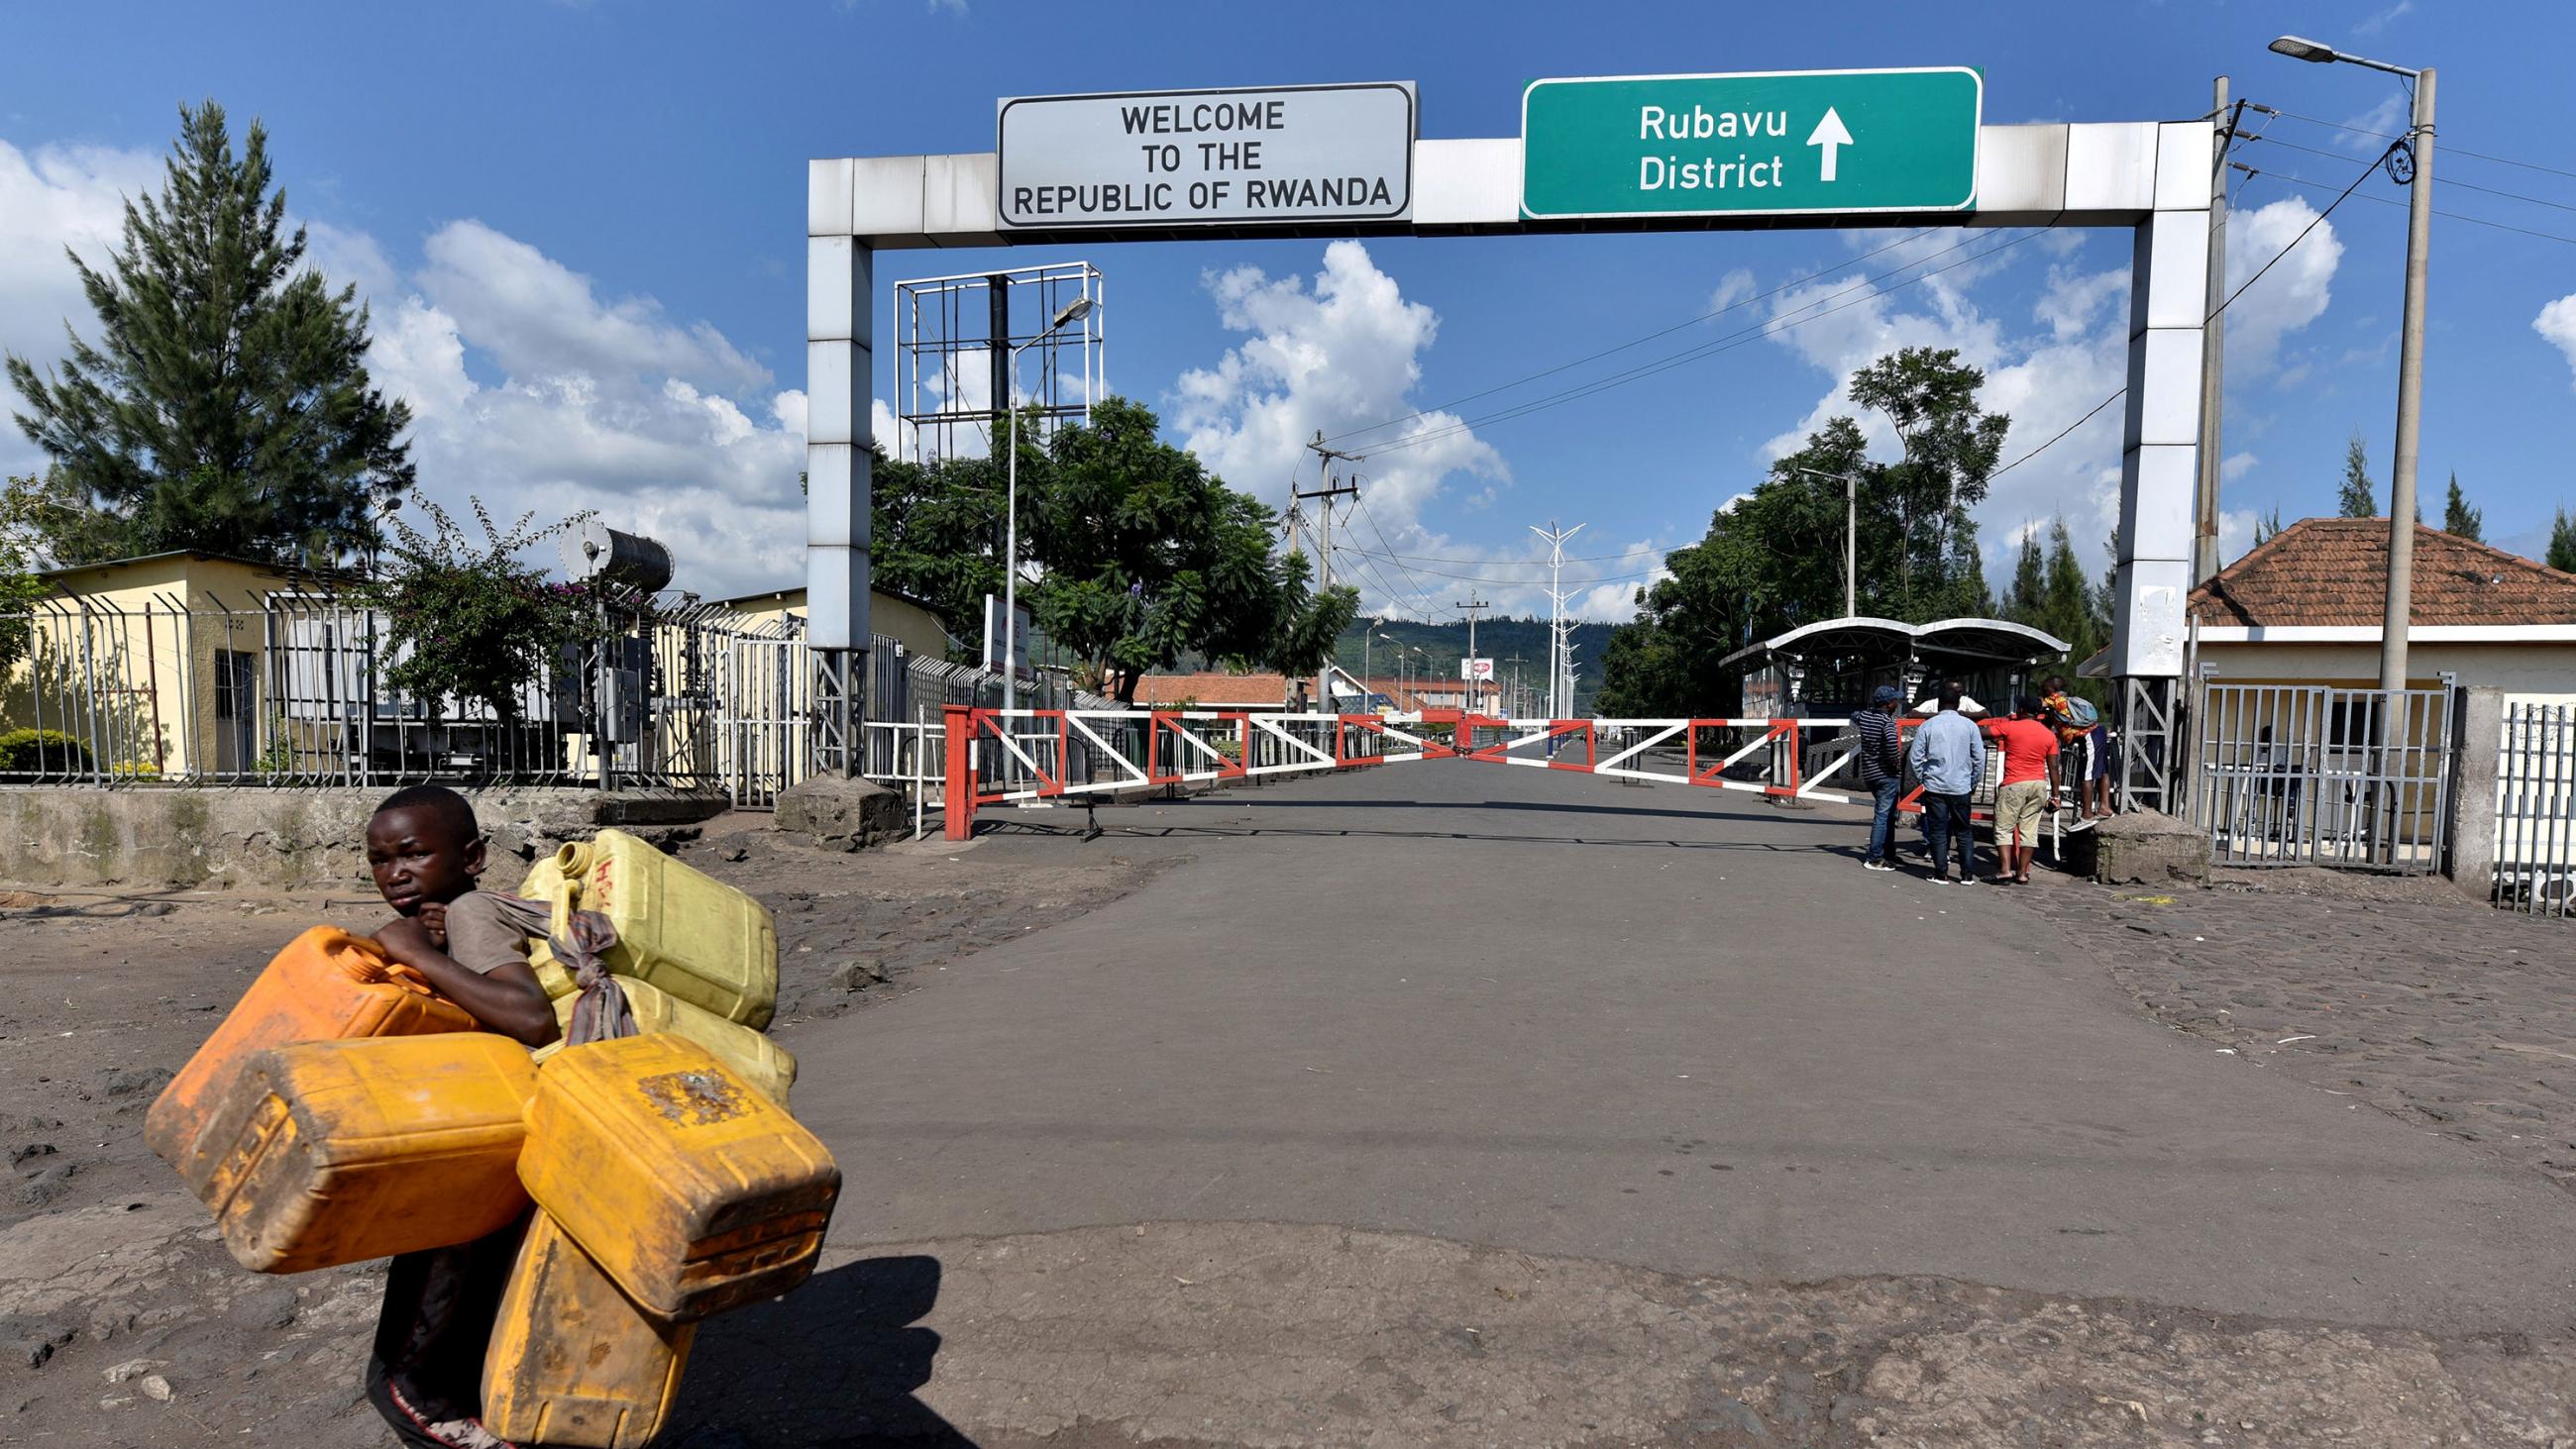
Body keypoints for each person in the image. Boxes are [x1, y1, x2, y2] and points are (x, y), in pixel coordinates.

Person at [361, 784, 555, 1449]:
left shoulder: (472, 911)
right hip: (506, 1143)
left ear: (471, 855)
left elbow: (530, 1017)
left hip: (492, 1151)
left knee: (405, 1387)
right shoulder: (453, 919)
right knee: (477, 1335)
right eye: (381, 860)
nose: (397, 873)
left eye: (413, 853)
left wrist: (413, 954)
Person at [1905, 682, 1985, 884]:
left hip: (1935, 785)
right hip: (1961, 786)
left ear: (1939, 704)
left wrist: (1924, 777)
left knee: (1938, 831)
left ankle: (1941, 873)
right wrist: (1973, 780)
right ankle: (1967, 875)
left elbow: (1915, 757)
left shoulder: (1928, 725)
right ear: (1958, 704)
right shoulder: (1970, 726)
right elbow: (1979, 758)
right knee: (1964, 831)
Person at [1989, 696, 2063, 884]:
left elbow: (1984, 732)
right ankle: (2022, 873)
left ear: (2021, 709)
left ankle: (2005, 870)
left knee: (2004, 828)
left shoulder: (2010, 727)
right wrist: (2055, 795)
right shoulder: (2048, 735)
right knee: (2029, 831)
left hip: (2014, 783)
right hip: (2038, 784)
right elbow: (2054, 767)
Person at [1850, 684, 1906, 872]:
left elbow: (1854, 715)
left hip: (1870, 773)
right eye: (1895, 700)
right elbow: (1891, 745)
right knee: (1883, 816)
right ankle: (1875, 857)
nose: (1897, 703)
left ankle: (1888, 852)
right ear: (1889, 704)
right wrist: (1896, 764)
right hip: (1886, 775)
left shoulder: (1865, 717)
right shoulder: (1887, 723)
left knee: (1889, 815)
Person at [2041, 674, 2111, 819]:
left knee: (2086, 774)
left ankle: (2086, 814)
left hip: (2088, 736)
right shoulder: (2067, 701)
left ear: (2054, 689)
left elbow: (2037, 704)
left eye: (2045, 688)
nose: (2042, 691)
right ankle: (2104, 806)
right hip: (2098, 732)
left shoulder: (2055, 699)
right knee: (2103, 771)